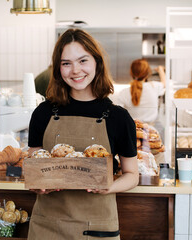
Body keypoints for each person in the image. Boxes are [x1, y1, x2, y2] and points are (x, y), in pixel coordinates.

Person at [27, 28, 139, 240]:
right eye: (66, 63)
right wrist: (38, 186)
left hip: (96, 227)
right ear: (58, 68)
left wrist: (109, 187)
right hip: (47, 226)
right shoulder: (43, 113)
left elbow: (132, 175)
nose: (75, 70)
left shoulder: (118, 117)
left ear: (97, 62)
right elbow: (34, 167)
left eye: (82, 61)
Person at [116, 59, 166, 140]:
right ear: (148, 73)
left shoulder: (123, 93)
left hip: (131, 134)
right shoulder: (154, 87)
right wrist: (160, 69)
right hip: (150, 134)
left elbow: (118, 116)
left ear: (131, 73)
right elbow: (164, 83)